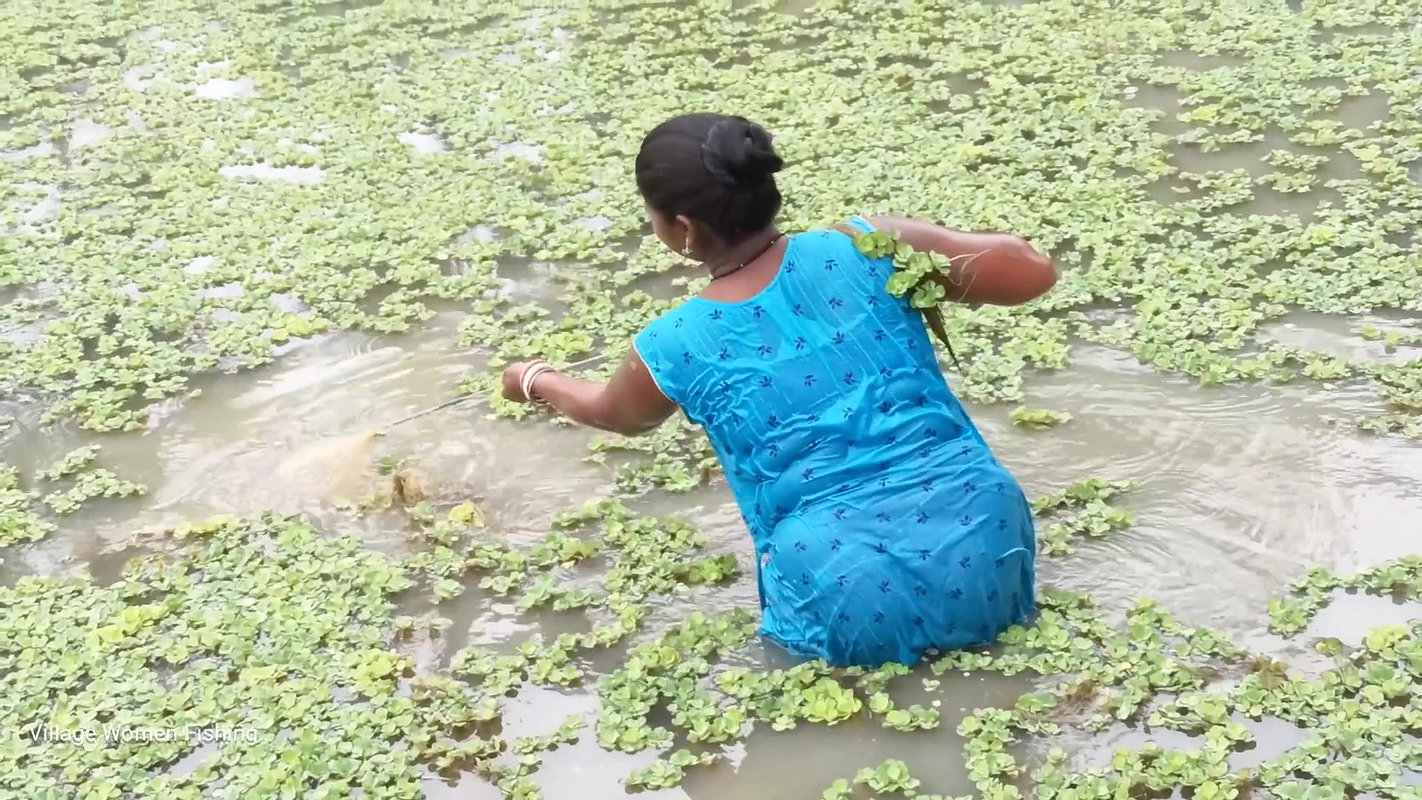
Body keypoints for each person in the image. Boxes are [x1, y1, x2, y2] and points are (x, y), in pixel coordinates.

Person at [501, 113, 1059, 667]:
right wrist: (909, 249)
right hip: (986, 533)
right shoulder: (870, 248)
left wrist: (535, 380)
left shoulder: (671, 343)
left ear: (684, 229)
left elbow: (615, 414)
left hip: (840, 580)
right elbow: (1034, 272)